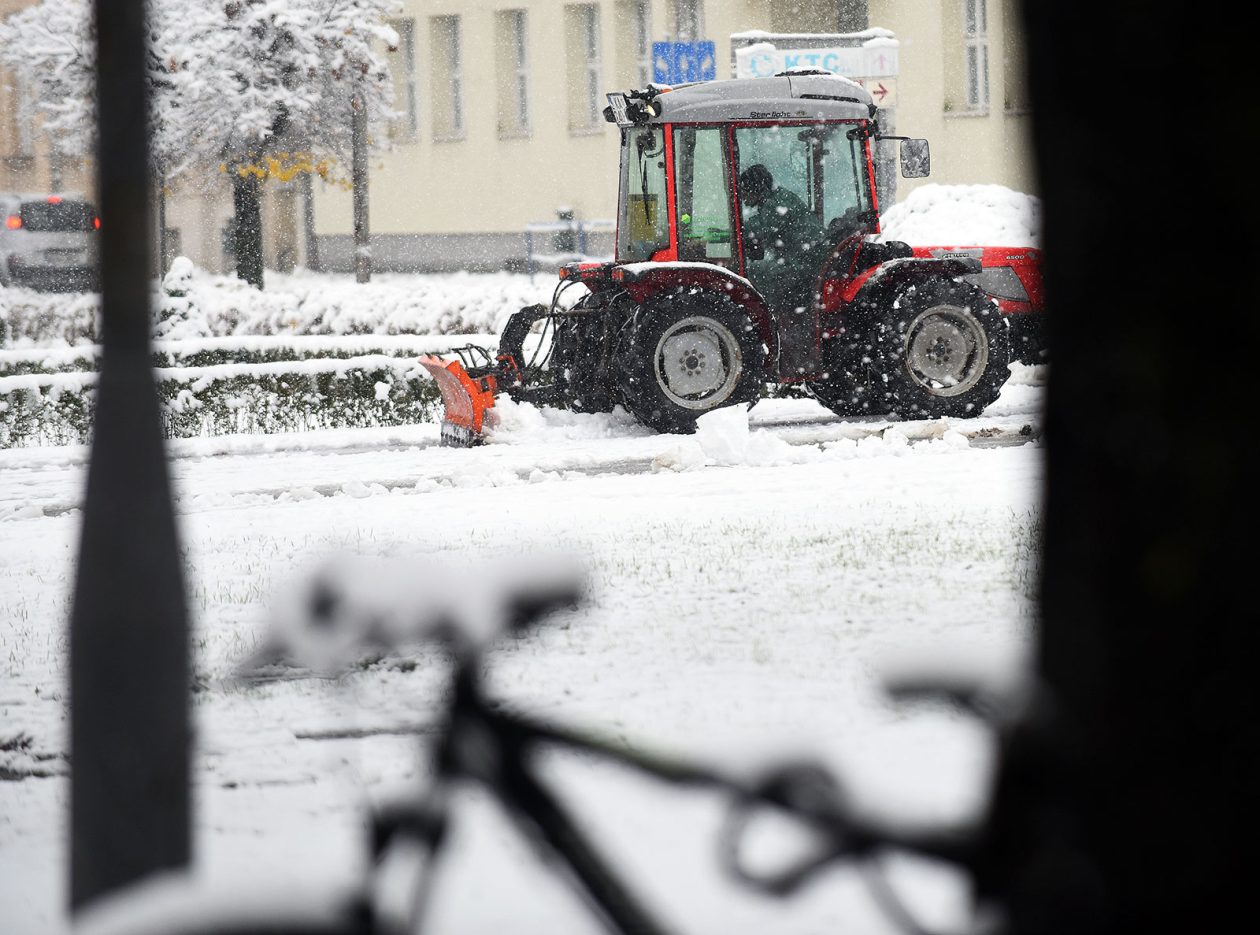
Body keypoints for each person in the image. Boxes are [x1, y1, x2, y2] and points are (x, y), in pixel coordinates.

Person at [738, 164, 826, 316]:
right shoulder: (775, 200)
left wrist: (731, 231)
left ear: (756, 189)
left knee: (754, 275)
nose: (742, 197)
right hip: (805, 257)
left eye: (744, 192)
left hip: (808, 261)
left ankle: (768, 318)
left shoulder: (776, 204)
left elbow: (758, 229)